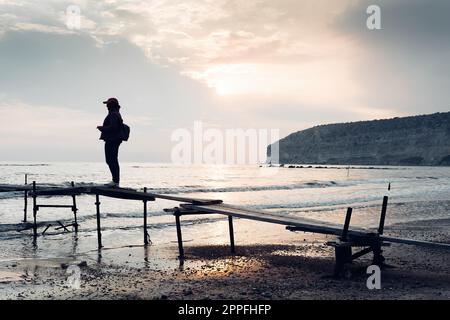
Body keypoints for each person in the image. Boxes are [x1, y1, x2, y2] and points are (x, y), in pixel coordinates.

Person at [97, 97, 124, 187]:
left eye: (108, 104)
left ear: (112, 105)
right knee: (112, 160)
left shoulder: (113, 114)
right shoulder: (116, 113)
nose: (107, 106)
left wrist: (102, 128)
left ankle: (115, 182)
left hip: (112, 140)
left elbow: (113, 128)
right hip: (114, 139)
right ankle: (115, 181)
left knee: (111, 160)